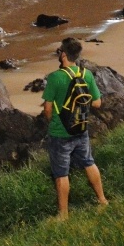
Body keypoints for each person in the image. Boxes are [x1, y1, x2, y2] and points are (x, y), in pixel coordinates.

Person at [42, 38, 109, 220]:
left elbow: (47, 108)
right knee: (89, 162)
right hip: (81, 127)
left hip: (60, 132)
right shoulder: (86, 74)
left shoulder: (55, 78)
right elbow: (97, 102)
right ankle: (102, 200)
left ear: (63, 54)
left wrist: (51, 122)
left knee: (61, 173)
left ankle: (63, 215)